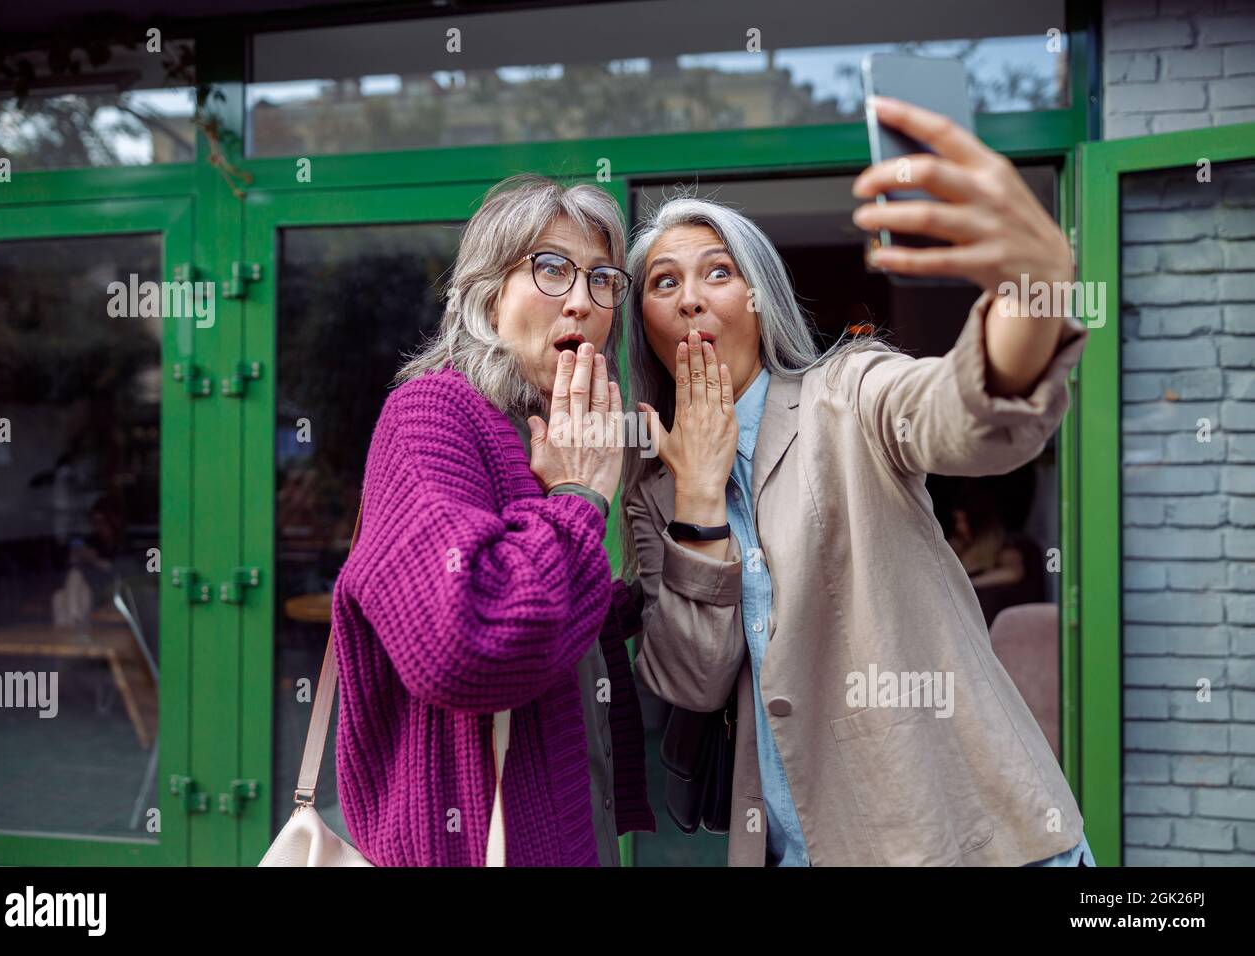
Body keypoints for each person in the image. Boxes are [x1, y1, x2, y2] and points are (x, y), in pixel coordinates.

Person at [621, 95, 1093, 866]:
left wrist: (1027, 289)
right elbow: (692, 681)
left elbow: (961, 418)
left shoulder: (849, 392)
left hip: (959, 831)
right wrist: (701, 498)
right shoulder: (654, 487)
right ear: (645, 321)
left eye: (718, 271)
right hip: (792, 841)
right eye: (663, 283)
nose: (692, 296)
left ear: (758, 298)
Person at [332, 174, 654, 866]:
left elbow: (566, 623)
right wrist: (577, 499)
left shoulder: (543, 429)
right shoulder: (432, 415)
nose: (582, 300)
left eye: (603, 279)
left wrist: (685, 516)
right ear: (487, 294)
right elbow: (467, 643)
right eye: (550, 268)